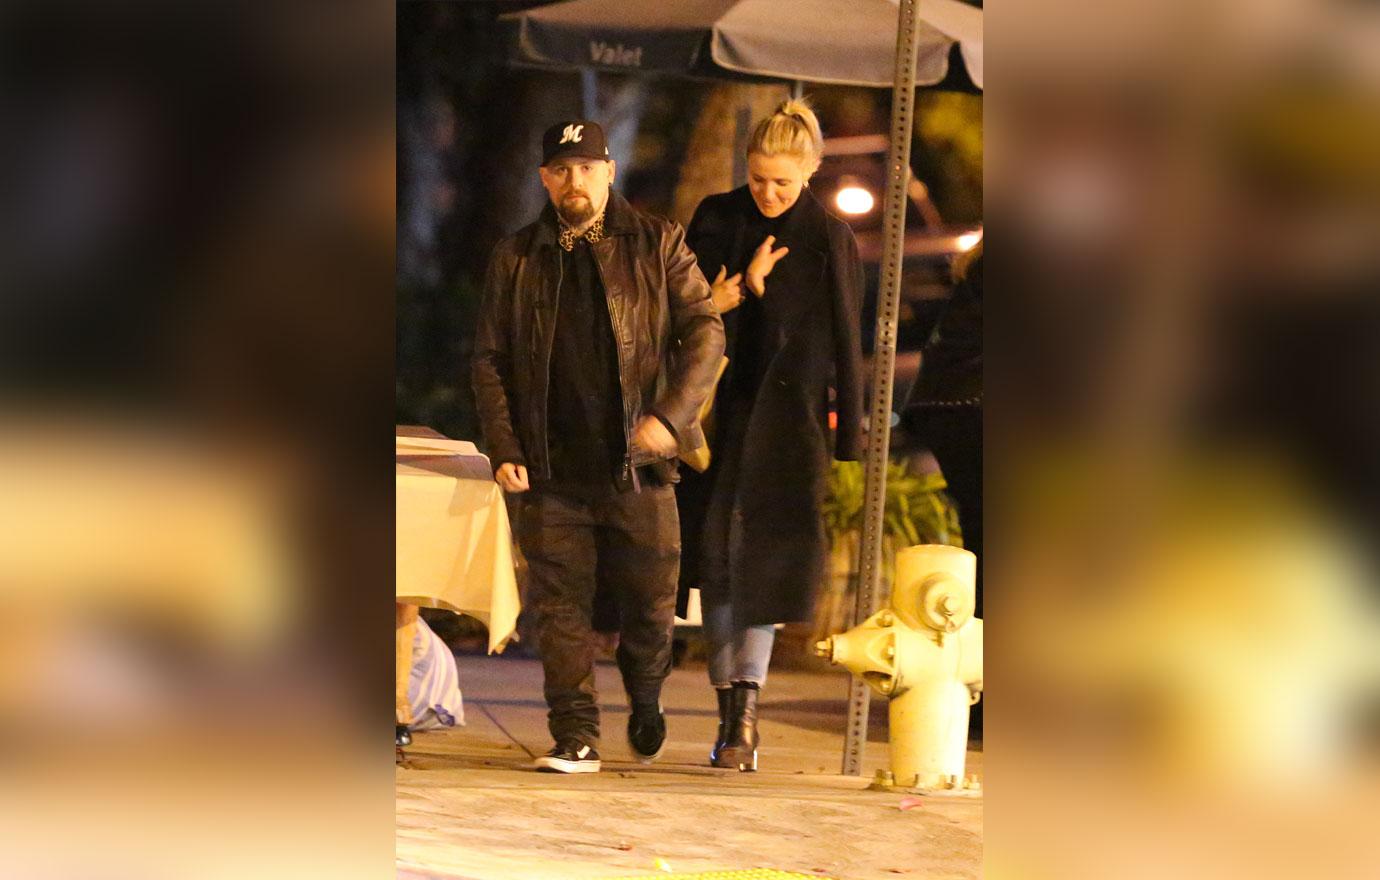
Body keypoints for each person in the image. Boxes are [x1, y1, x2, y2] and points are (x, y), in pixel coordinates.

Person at [472, 120, 725, 774]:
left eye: (586, 167)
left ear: (610, 172)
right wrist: (504, 444)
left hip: (639, 468)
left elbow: (706, 332)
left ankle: (646, 692)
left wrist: (670, 419)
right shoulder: (519, 255)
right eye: (561, 169)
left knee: (649, 605)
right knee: (559, 608)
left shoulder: (657, 242)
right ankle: (575, 735)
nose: (574, 180)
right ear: (544, 179)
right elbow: (490, 359)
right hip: (552, 470)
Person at [677, 99, 865, 771]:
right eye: (759, 178)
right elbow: (674, 309)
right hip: (716, 421)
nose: (769, 192)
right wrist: (721, 300)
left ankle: (744, 713)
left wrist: (851, 441)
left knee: (763, 567)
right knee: (717, 566)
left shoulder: (827, 236)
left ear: (810, 171)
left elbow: (846, 339)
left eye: (783, 181)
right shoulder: (717, 217)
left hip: (790, 427)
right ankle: (732, 708)